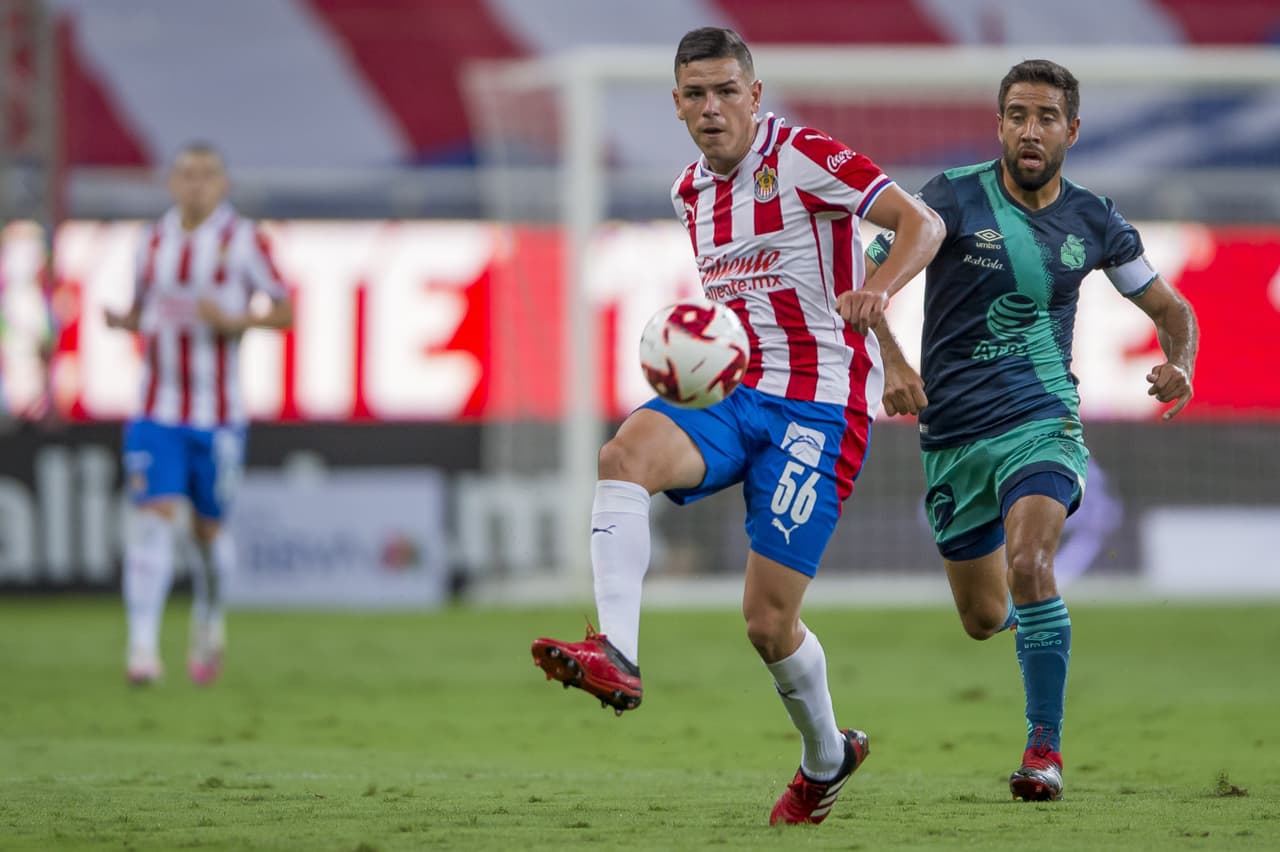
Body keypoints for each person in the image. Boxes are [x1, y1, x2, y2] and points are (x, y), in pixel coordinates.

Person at [531, 27, 944, 826]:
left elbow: (917, 224)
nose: (713, 107)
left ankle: (827, 757)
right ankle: (616, 655)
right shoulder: (689, 192)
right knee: (622, 455)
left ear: (755, 96)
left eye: (727, 91)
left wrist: (886, 311)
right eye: (696, 94)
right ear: (678, 104)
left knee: (767, 621)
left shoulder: (803, 154)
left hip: (819, 410)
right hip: (734, 392)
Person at [866, 59, 1198, 802]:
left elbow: (1173, 312)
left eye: (1045, 116)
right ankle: (1042, 627)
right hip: (952, 437)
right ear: (999, 123)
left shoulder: (1095, 219)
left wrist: (1181, 364)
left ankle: (1042, 751)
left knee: (1030, 564)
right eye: (1016, 114)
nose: (1029, 129)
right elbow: (868, 283)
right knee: (986, 618)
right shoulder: (948, 198)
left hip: (1041, 424)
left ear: (1071, 130)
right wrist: (892, 361)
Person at [104, 142, 293, 686]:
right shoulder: (151, 240)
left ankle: (209, 622)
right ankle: (142, 650)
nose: (196, 185)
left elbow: (285, 312)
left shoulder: (244, 241)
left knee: (209, 534)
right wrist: (124, 321)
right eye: (186, 175)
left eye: (207, 175)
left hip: (219, 417)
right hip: (154, 411)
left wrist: (235, 321)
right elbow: (144, 311)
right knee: (153, 519)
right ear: (171, 183)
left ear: (223, 184)